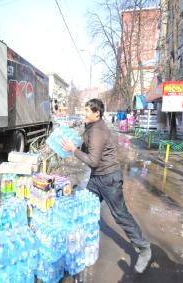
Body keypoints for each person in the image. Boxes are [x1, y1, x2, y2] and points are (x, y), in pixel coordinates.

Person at [61, 98, 152, 274]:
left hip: (109, 179)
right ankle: (82, 243)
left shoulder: (97, 131)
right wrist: (74, 145)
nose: (84, 113)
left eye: (87, 110)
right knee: (85, 208)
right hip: (97, 179)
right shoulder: (92, 127)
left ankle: (144, 249)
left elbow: (93, 161)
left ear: (97, 113)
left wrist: (74, 150)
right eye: (85, 109)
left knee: (121, 215)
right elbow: (90, 150)